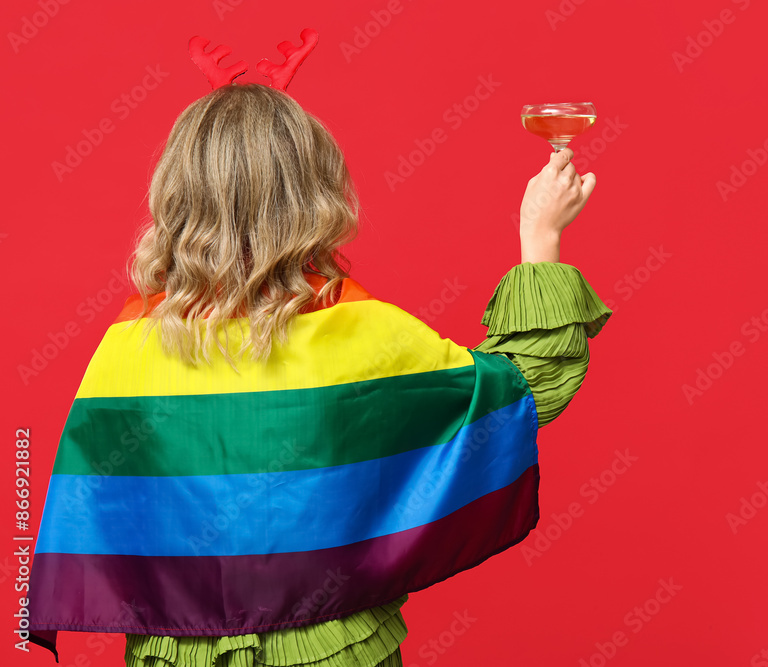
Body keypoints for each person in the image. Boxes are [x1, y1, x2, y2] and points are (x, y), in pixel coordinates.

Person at [26, 82, 611, 667]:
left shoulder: (127, 351)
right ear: (314, 192)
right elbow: (514, 392)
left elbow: (98, 516)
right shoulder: (364, 334)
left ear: (176, 198)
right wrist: (541, 238)